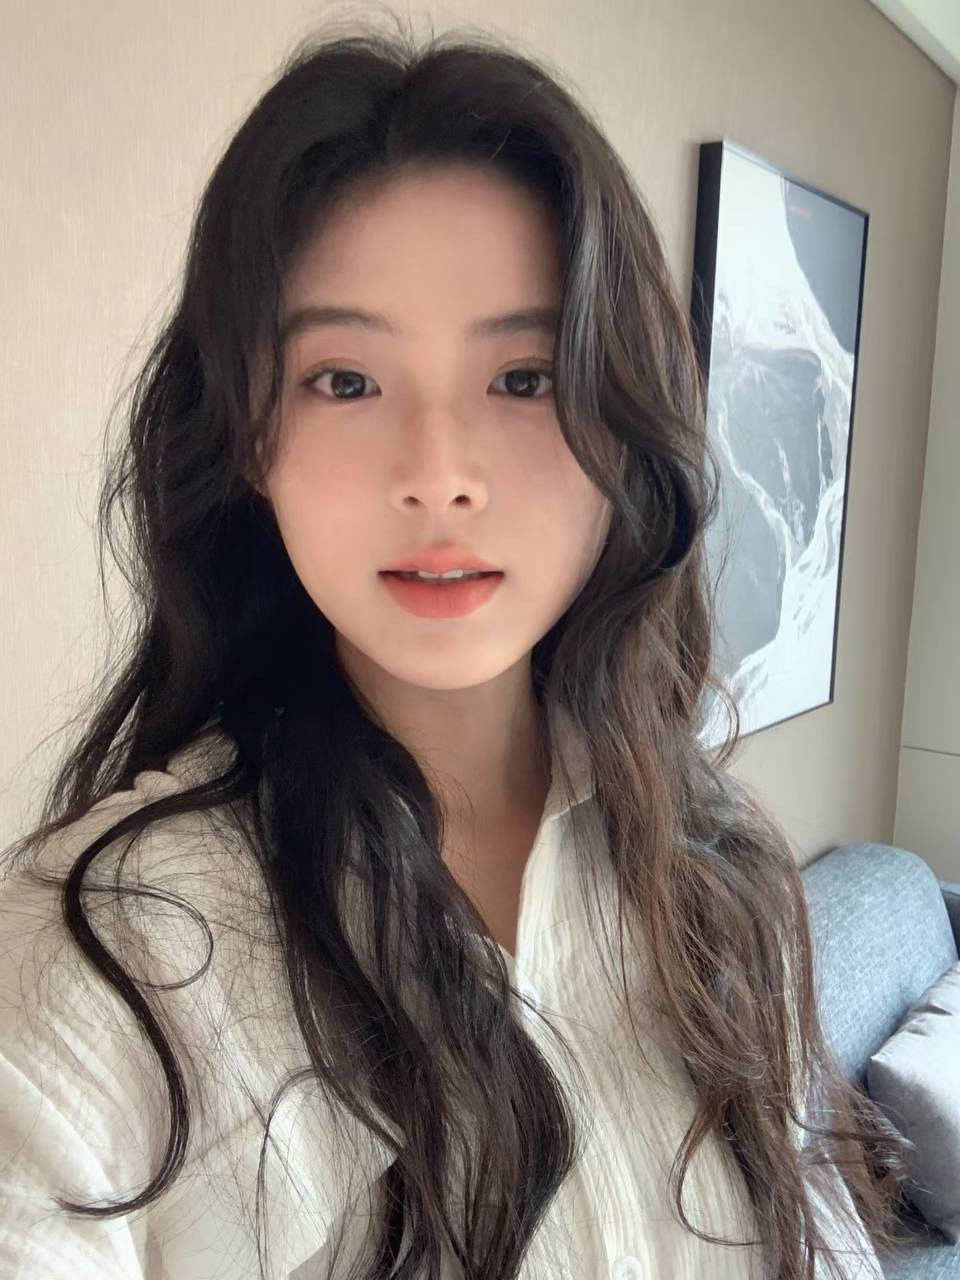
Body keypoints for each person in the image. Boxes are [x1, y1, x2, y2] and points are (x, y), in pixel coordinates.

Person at [0, 13, 915, 1280]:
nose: (438, 475)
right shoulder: (118, 954)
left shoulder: (720, 877)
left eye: (524, 378)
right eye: (345, 380)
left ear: (623, 422)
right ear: (250, 438)